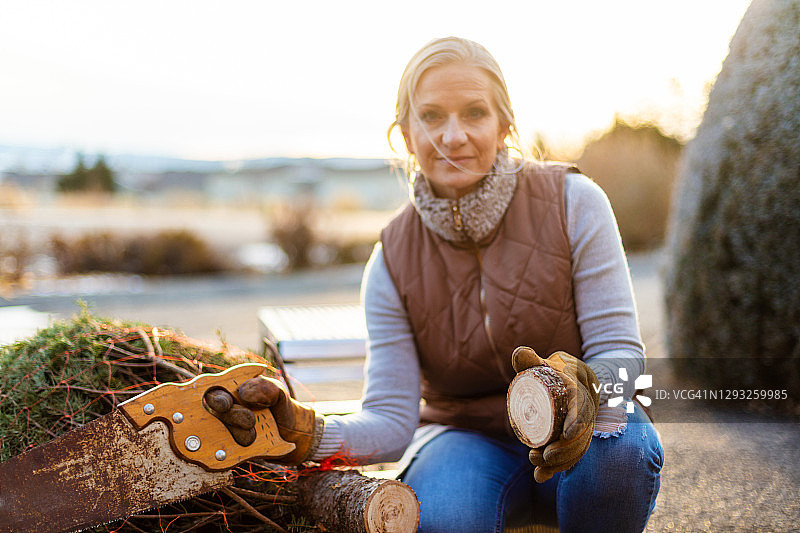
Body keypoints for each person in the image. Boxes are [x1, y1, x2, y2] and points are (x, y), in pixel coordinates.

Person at [233, 36, 664, 533]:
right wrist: (307, 431)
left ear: (505, 125)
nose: (453, 135)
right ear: (406, 134)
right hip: (463, 439)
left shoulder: (575, 202)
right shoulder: (391, 259)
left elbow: (619, 350)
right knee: (452, 516)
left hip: (575, 437)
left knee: (621, 444)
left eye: (474, 113)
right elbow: (392, 420)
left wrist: (582, 393)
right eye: (432, 116)